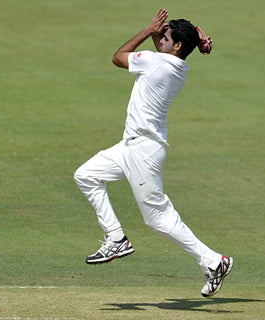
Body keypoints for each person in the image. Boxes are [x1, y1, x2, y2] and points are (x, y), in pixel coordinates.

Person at [74, 8, 233, 297]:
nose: (159, 38)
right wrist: (197, 36)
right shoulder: (175, 65)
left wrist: (148, 29)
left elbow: (117, 57)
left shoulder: (154, 63)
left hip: (142, 152)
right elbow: (172, 42)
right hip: (130, 147)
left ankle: (213, 261)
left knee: (158, 218)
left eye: (165, 37)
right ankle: (116, 237)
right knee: (86, 175)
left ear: (177, 46)